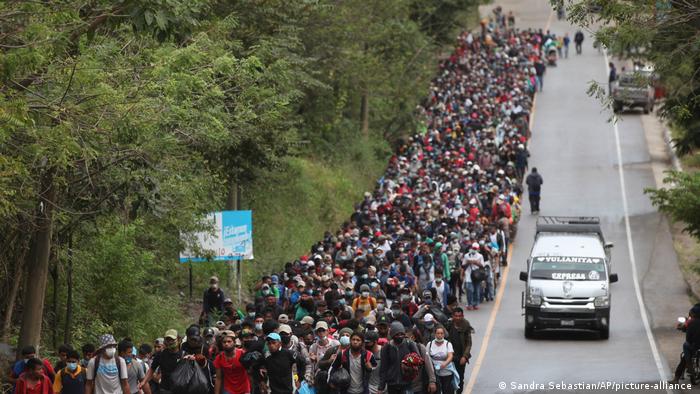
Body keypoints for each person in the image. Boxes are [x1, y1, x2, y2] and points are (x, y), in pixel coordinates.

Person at [377, 322, 422, 394]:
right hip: (392, 383)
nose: (400, 336)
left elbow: (419, 361)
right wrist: (381, 387)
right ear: (392, 335)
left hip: (407, 383)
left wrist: (410, 366)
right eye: (397, 334)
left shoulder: (410, 344)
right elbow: (383, 368)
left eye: (402, 334)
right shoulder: (387, 347)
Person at [140, 330, 180, 394]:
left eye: (172, 339)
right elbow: (152, 369)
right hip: (165, 389)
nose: (170, 342)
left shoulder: (183, 354)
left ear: (178, 339)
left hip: (179, 389)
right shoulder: (161, 354)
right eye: (167, 339)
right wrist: (144, 381)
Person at [669, 304, 700, 385]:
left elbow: (688, 337)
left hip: (693, 346)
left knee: (685, 350)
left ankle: (677, 377)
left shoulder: (691, 322)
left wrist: (681, 328)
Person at [446, 308, 473, 393]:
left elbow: (469, 343)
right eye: (456, 316)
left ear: (462, 316)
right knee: (448, 378)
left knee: (460, 378)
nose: (457, 318)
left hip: (460, 357)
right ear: (452, 316)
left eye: (459, 316)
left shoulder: (466, 325)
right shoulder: (448, 325)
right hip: (449, 357)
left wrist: (465, 356)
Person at [427, 327, 458, 394]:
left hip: (446, 371)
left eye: (441, 333)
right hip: (434, 372)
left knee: (447, 390)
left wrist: (445, 363)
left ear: (444, 334)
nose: (440, 335)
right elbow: (427, 358)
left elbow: (450, 356)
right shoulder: (430, 344)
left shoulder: (448, 344)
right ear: (435, 334)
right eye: (438, 333)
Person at [462, 243, 484, 311]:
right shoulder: (466, 255)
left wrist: (475, 262)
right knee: (469, 290)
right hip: (468, 274)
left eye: (475, 249)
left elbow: (482, 265)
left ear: (477, 249)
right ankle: (469, 304)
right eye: (473, 248)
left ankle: (476, 303)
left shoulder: (480, 256)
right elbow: (463, 265)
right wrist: (468, 262)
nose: (474, 250)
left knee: (476, 290)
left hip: (477, 275)